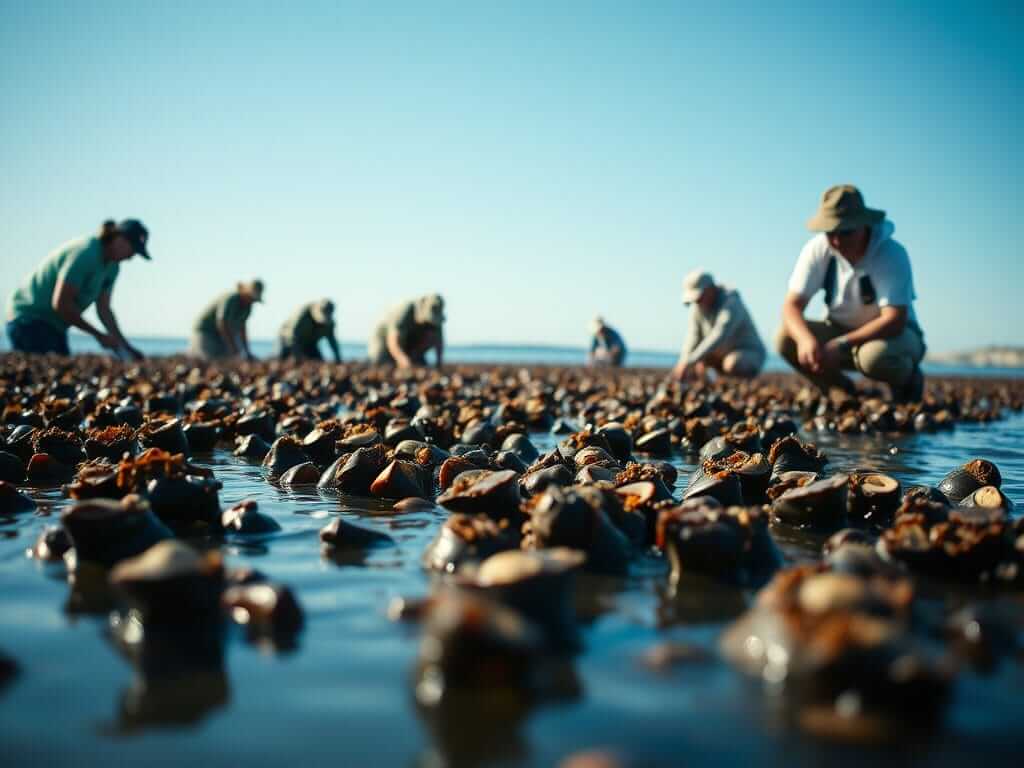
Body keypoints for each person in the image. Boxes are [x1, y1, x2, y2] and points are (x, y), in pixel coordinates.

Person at [776, 185, 925, 402]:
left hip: (894, 336)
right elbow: (791, 306)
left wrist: (843, 343)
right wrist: (805, 340)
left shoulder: (891, 253)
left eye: (846, 232)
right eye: (830, 232)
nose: (837, 241)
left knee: (873, 357)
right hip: (839, 332)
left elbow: (894, 319)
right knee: (785, 338)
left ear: (864, 225)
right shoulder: (818, 249)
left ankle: (907, 380)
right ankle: (840, 389)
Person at [6, 219, 150, 358]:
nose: (131, 257)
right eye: (133, 250)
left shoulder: (113, 268)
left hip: (56, 326)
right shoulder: (86, 253)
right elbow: (61, 304)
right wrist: (98, 335)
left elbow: (104, 310)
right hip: (28, 319)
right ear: (119, 239)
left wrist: (125, 346)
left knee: (61, 366)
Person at [672, 270, 765, 380]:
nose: (697, 302)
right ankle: (718, 379)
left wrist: (690, 361)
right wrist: (683, 361)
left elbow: (720, 334)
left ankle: (742, 381)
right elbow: (694, 335)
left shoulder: (731, 302)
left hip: (747, 353)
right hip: (720, 355)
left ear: (710, 289)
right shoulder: (699, 306)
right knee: (698, 367)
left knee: (732, 363)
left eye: (699, 297)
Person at [191, 280, 264, 360]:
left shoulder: (248, 307)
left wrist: (247, 352)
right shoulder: (231, 298)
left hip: (223, 334)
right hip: (206, 330)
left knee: (227, 358)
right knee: (206, 357)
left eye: (254, 299)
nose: (252, 301)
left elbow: (242, 328)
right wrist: (233, 347)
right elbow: (221, 323)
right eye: (251, 297)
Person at [368, 294, 445, 368]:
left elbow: (439, 341)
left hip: (411, 342)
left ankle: (414, 358)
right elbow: (393, 342)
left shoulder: (436, 320)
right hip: (385, 337)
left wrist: (439, 364)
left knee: (419, 362)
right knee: (378, 359)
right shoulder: (405, 310)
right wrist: (404, 361)